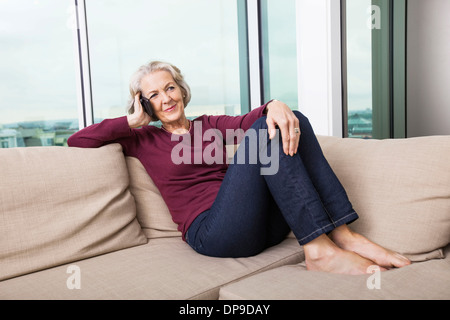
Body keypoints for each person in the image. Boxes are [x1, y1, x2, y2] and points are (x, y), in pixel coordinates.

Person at [68, 61, 411, 275]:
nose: (166, 98)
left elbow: (253, 119)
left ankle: (343, 234)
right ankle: (319, 251)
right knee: (266, 130)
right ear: (145, 103)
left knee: (293, 120)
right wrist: (130, 120)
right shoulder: (142, 138)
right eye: (154, 94)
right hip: (214, 233)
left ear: (182, 91)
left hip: (259, 225)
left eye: (170, 87)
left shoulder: (210, 124)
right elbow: (79, 141)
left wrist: (276, 104)